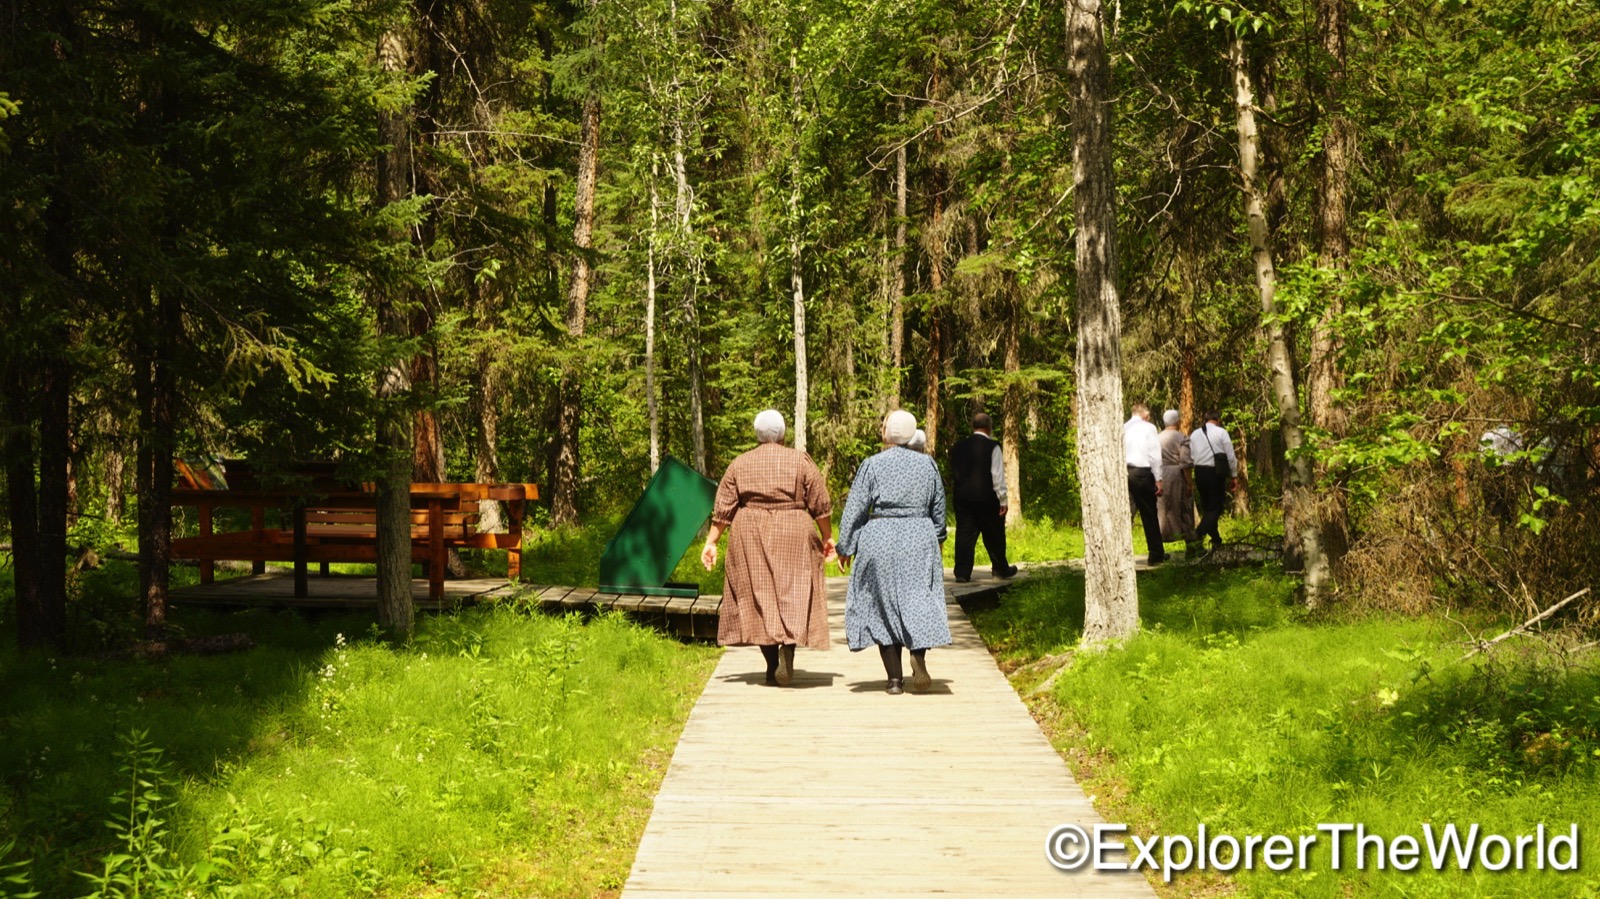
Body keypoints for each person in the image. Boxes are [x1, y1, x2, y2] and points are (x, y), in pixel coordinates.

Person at [701, 409, 835, 686]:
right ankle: (788, 649)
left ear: (757, 434)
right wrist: (827, 537)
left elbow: (723, 509)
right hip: (794, 528)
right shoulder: (800, 461)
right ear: (784, 434)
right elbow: (820, 503)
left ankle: (772, 663)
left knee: (760, 596)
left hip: (750, 531)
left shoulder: (740, 464)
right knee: (794, 591)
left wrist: (712, 541)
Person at [837, 409, 952, 694]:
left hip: (881, 535)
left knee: (882, 605)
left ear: (889, 433)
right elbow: (939, 506)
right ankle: (919, 656)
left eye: (884, 423)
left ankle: (894, 681)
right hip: (918, 534)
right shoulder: (928, 465)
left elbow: (856, 508)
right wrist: (937, 536)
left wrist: (845, 546)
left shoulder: (872, 465)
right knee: (919, 600)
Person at [948, 412, 1016, 582]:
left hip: (962, 498)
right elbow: (997, 474)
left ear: (973, 426)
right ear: (989, 427)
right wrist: (1003, 499)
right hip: (986, 498)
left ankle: (962, 573)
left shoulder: (958, 446)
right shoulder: (993, 446)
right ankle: (1000, 569)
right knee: (994, 534)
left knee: (964, 534)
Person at [1189, 410, 1238, 554]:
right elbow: (1230, 456)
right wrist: (1234, 476)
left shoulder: (1195, 434)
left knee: (1208, 508)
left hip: (1199, 472)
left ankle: (1216, 540)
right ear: (1218, 419)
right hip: (1215, 473)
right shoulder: (1221, 433)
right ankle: (1197, 534)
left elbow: (1191, 456)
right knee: (1215, 508)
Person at [1124, 403, 1165, 563]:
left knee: (1126, 514)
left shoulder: (1122, 427)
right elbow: (1154, 454)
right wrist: (1158, 479)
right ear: (1145, 416)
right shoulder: (1149, 428)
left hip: (1125, 472)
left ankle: (1121, 554)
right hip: (1142, 472)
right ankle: (1155, 553)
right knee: (1149, 513)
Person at [1157, 409, 1199, 555]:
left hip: (1160, 476)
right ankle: (1191, 546)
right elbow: (1186, 462)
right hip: (1177, 475)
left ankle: (1158, 547)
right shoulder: (1182, 438)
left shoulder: (1157, 438)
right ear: (1178, 421)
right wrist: (1189, 482)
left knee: (1162, 510)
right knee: (1185, 509)